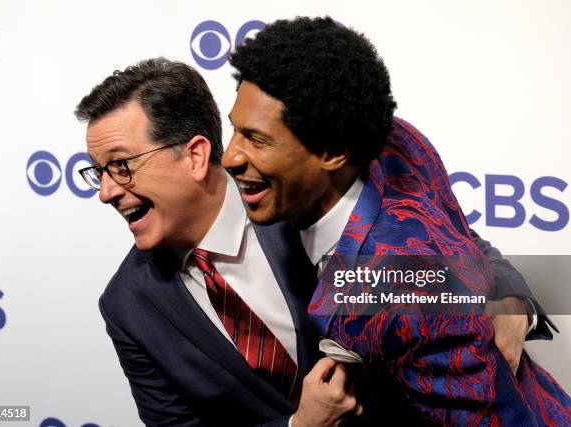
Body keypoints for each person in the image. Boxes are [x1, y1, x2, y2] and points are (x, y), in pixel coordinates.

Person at [222, 17, 571, 425]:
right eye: (236, 130)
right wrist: (513, 302)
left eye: (257, 139)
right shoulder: (392, 138)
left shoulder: (394, 288)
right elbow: (457, 235)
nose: (230, 156)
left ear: (334, 151)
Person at [74, 58, 359, 427]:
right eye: (99, 172)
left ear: (195, 155)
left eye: (121, 165)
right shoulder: (127, 305)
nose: (106, 192)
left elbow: (434, 302)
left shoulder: (307, 202)